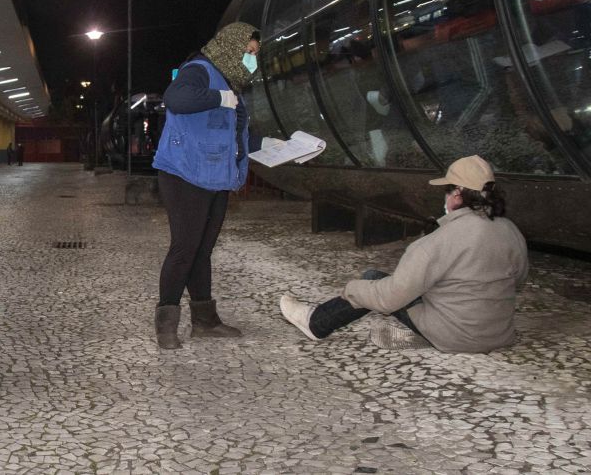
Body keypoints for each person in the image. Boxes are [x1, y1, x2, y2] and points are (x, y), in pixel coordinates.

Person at [279, 155, 529, 353]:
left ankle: (316, 323)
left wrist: (352, 290)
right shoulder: (511, 231)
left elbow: (389, 299)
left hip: (456, 336)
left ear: (456, 194)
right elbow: (518, 282)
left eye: (446, 191)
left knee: (373, 279)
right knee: (424, 285)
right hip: (499, 335)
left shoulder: (436, 242)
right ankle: (429, 331)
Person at [151, 22, 279, 348]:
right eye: (249, 52)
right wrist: (219, 97)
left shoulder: (230, 83)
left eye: (255, 54)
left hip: (215, 175)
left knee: (202, 250)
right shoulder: (200, 70)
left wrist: (272, 145)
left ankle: (205, 322)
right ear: (233, 46)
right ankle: (166, 326)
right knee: (184, 248)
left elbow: (233, 134)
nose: (252, 60)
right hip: (184, 174)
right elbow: (175, 97)